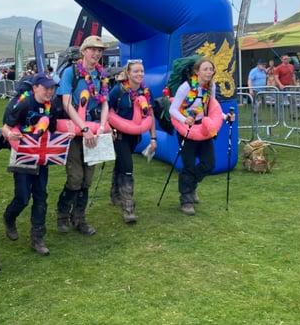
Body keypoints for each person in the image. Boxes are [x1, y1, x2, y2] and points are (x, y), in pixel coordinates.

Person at [55, 35, 110, 236]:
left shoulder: (101, 75)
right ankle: (62, 214)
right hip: (74, 132)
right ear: (83, 52)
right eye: (93, 49)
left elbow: (105, 102)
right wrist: (84, 129)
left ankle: (79, 218)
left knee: (87, 180)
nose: (96, 54)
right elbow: (66, 103)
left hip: (94, 131)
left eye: (100, 50)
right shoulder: (71, 73)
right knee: (75, 177)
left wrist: (103, 126)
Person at [2, 72, 59, 256]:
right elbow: (6, 126)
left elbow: (54, 129)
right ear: (35, 88)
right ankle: (9, 217)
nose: (50, 91)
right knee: (23, 197)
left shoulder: (51, 106)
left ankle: (37, 238)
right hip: (23, 154)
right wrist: (10, 135)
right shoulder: (25, 103)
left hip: (42, 157)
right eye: (46, 88)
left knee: (41, 196)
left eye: (52, 88)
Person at [168, 58, 234, 216]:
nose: (209, 72)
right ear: (197, 71)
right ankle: (186, 199)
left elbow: (213, 109)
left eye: (211, 69)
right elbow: (173, 109)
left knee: (209, 163)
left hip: (203, 129)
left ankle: (191, 186)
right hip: (187, 129)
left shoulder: (211, 87)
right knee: (189, 165)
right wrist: (185, 119)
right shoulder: (186, 87)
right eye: (205, 69)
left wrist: (225, 117)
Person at [107, 59, 157, 223]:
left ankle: (115, 193)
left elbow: (150, 115)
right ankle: (128, 208)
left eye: (142, 71)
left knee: (122, 163)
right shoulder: (118, 91)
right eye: (136, 71)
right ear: (128, 73)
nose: (140, 74)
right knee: (128, 167)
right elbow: (106, 109)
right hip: (119, 134)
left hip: (135, 135)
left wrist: (153, 137)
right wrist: (109, 127)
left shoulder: (145, 92)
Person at [274, 54, 298, 120]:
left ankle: (293, 115)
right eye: (285, 59)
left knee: (293, 100)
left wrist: (295, 84)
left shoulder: (291, 66)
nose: (286, 60)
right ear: (281, 60)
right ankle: (278, 116)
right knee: (279, 102)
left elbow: (293, 76)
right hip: (280, 87)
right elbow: (276, 77)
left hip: (289, 86)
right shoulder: (278, 68)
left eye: (287, 58)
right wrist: (280, 85)